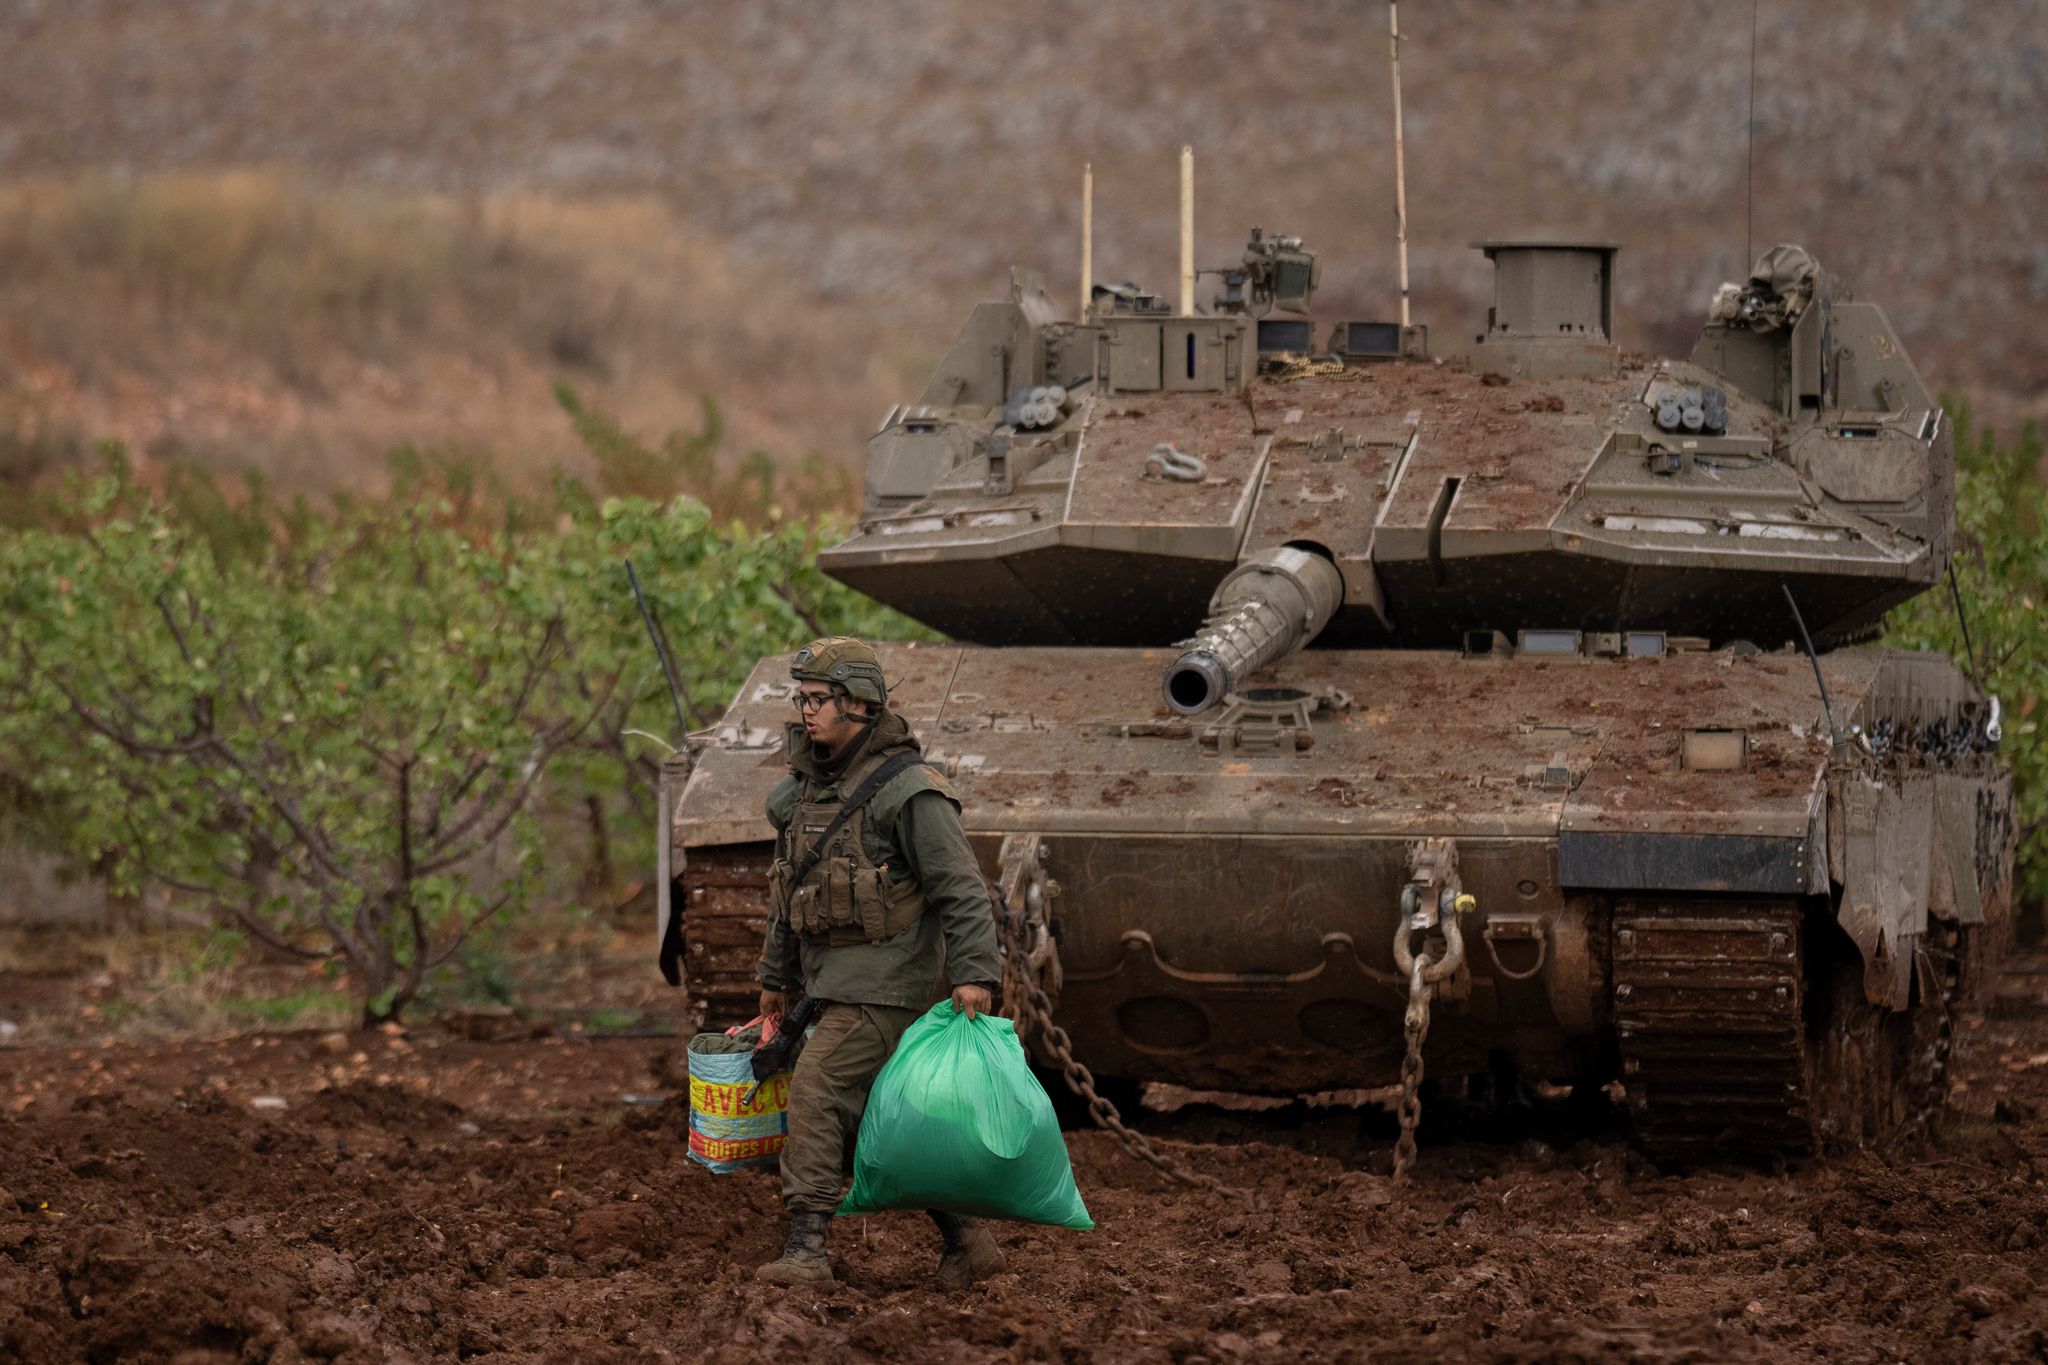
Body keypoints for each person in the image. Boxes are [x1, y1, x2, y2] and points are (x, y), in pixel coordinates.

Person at [754, 636, 1007, 1289]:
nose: (805, 711)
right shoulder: (804, 792)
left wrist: (975, 973)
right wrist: (774, 979)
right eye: (801, 698)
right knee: (881, 1116)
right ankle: (968, 1241)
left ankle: (807, 1249)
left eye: (818, 699)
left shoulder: (909, 792)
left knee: (815, 1086)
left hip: (889, 985)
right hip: (829, 984)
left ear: (859, 704)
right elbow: (787, 892)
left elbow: (961, 887)